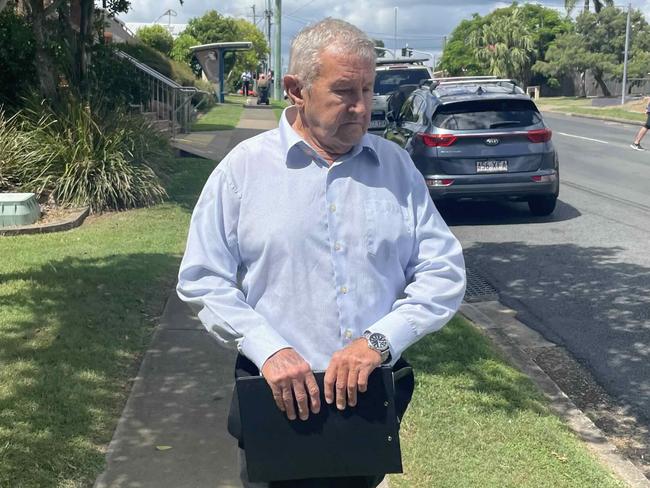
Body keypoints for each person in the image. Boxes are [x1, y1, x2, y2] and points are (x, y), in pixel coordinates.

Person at [177, 17, 466, 488]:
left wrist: (378, 341)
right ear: (296, 89)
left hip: (368, 405)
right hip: (276, 404)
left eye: (369, 91)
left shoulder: (394, 168)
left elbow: (443, 271)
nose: (361, 108)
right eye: (344, 92)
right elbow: (202, 278)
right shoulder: (243, 172)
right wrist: (270, 351)